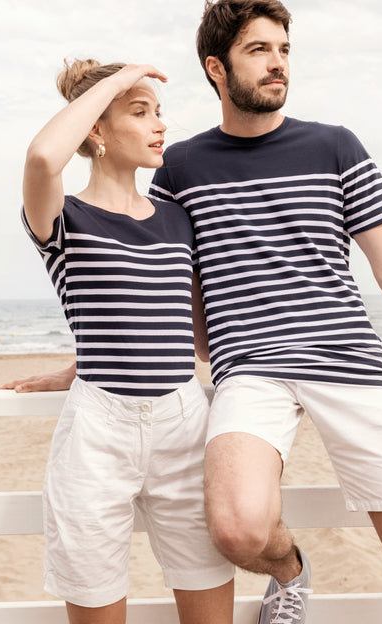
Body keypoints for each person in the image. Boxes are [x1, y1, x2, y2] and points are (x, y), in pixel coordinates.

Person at [4, 2, 382, 623]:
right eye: (259, 50)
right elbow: (55, 179)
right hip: (192, 391)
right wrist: (92, 363)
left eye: (283, 49)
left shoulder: (315, 154)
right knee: (220, 537)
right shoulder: (138, 187)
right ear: (217, 68)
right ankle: (288, 571)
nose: (277, 63)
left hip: (288, 378)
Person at [14, 57, 235, 624]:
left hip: (185, 422)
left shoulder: (178, 220)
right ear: (95, 128)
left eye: (159, 111)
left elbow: (183, 326)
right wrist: (116, 80)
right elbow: (42, 157)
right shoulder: (63, 216)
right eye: (140, 112)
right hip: (97, 433)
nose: (160, 125)